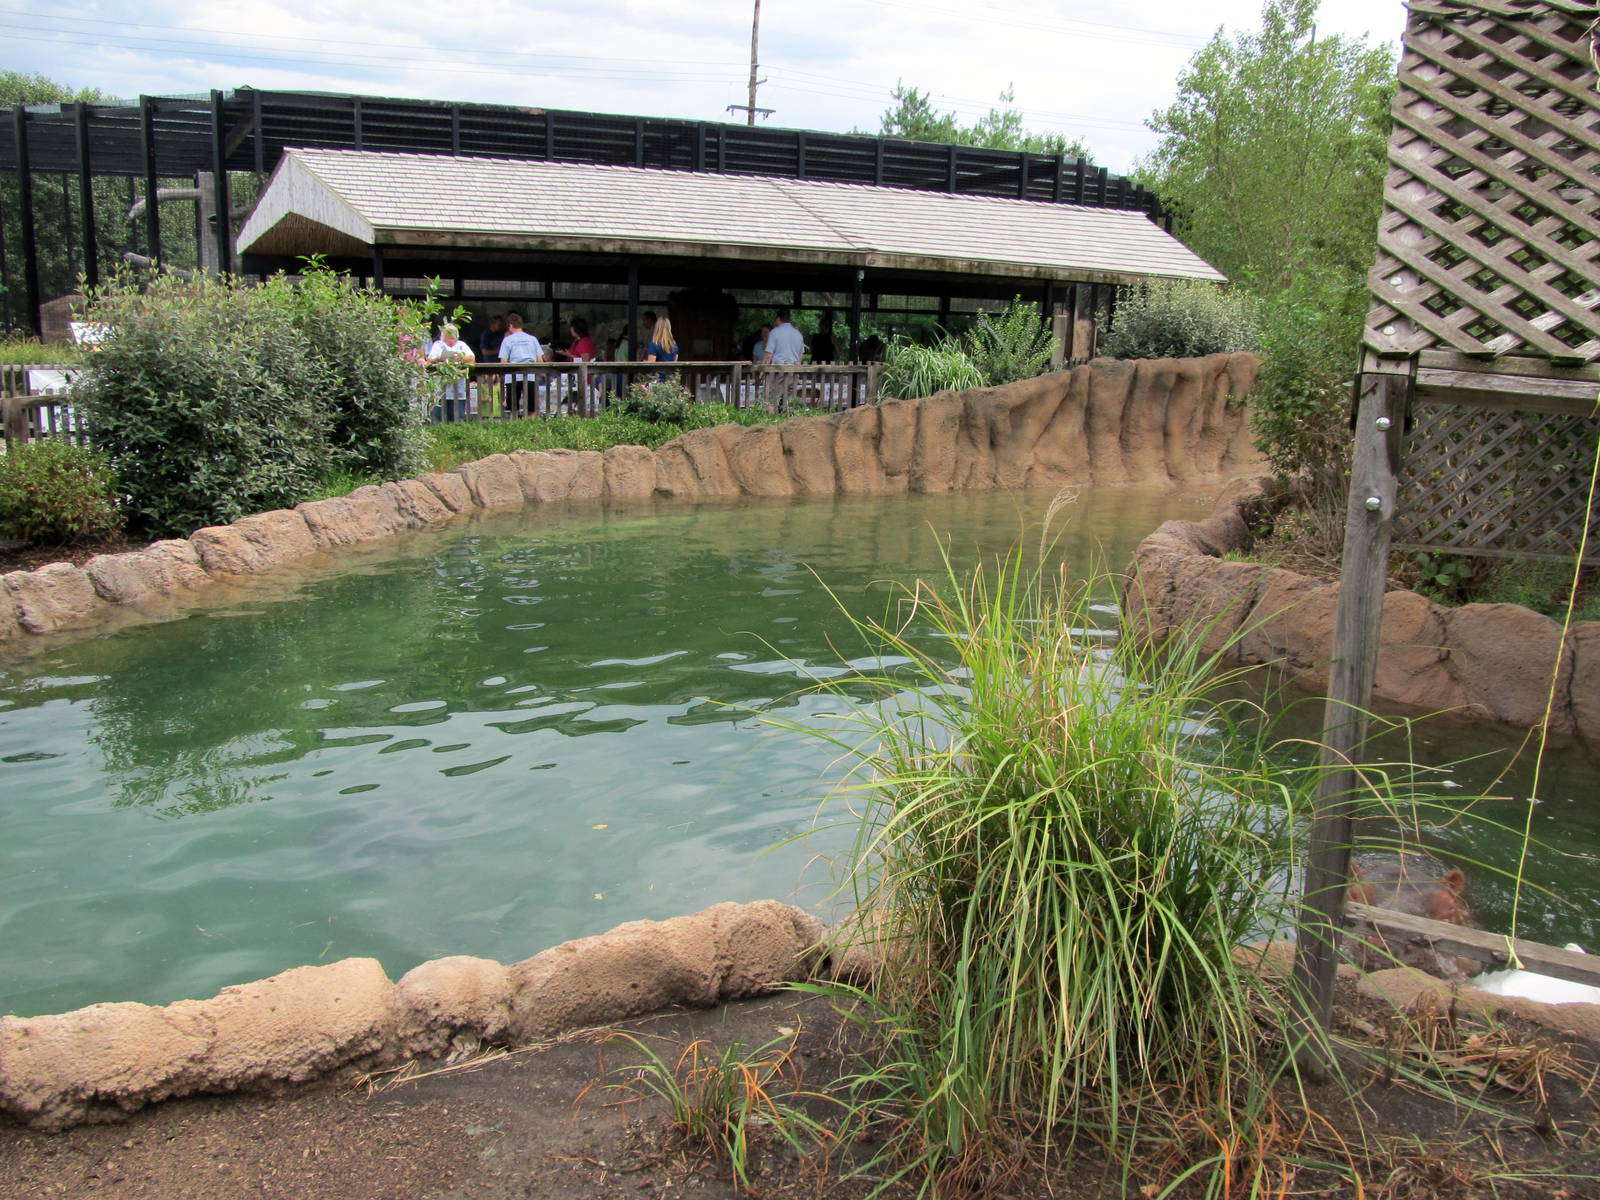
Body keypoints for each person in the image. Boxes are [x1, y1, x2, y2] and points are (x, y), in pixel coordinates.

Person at [497, 312, 545, 418]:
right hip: (530, 376)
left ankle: (514, 431)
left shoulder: (507, 340)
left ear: (510, 325)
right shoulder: (532, 339)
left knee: (512, 409)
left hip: (512, 376)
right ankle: (531, 430)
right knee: (531, 409)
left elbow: (503, 361)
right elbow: (540, 360)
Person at [425, 323, 475, 421]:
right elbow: (430, 360)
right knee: (439, 417)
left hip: (458, 388)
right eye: (449, 338)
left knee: (458, 417)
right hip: (440, 388)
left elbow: (471, 357)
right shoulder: (438, 345)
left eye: (453, 338)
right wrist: (440, 358)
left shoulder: (461, 345)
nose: (452, 340)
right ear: (443, 337)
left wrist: (460, 357)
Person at [476, 314, 506, 417]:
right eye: (498, 324)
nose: (500, 326)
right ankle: (488, 414)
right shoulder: (486, 335)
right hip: (490, 364)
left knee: (500, 388)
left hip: (501, 366)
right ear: (492, 324)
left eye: (501, 324)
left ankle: (502, 413)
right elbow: (484, 352)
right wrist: (498, 351)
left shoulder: (501, 333)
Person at [645, 314, 679, 382]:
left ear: (657, 328)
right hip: (670, 382)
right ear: (669, 328)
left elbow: (650, 365)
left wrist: (644, 362)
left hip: (657, 381)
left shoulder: (653, 344)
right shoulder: (675, 346)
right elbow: (674, 365)